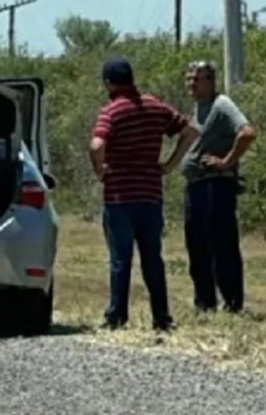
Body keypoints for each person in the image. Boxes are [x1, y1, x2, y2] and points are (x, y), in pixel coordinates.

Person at [89, 57, 197, 334]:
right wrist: (171, 164)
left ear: (108, 83)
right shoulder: (155, 106)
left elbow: (97, 144)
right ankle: (161, 317)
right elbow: (189, 131)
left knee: (120, 259)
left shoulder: (111, 111)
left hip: (119, 195)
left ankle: (117, 317)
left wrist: (100, 170)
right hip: (150, 193)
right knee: (152, 258)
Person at [180, 60, 258, 314]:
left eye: (198, 78)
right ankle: (205, 303)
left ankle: (232, 303)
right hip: (195, 187)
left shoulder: (222, 105)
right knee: (197, 247)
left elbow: (247, 133)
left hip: (216, 185)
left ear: (211, 81)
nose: (192, 83)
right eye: (189, 78)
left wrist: (226, 162)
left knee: (221, 246)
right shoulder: (197, 109)